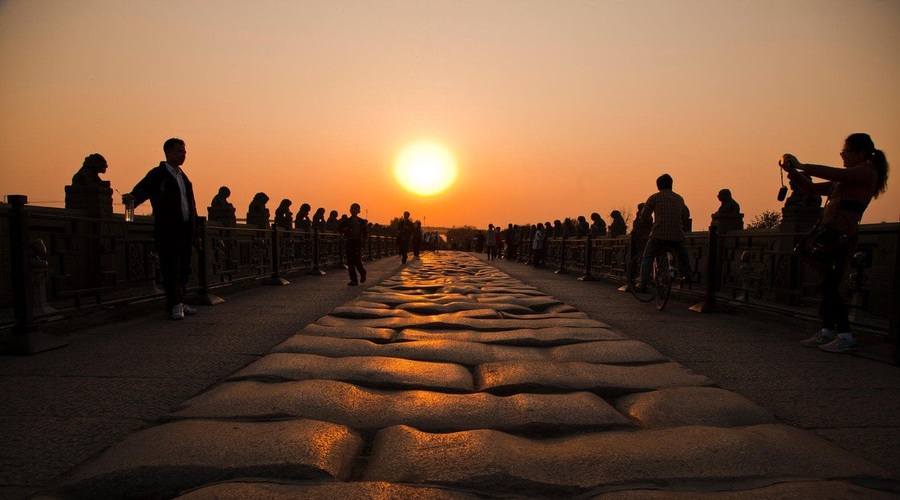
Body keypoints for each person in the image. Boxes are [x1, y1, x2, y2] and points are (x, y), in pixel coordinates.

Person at [782, 133, 889, 353]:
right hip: (831, 235)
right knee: (827, 284)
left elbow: (837, 173)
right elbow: (815, 189)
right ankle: (827, 331)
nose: (843, 157)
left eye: (845, 152)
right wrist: (795, 174)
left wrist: (803, 165)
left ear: (860, 153)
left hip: (841, 238)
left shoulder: (866, 171)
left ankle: (846, 335)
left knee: (830, 286)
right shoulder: (848, 178)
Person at [122, 138, 198, 320]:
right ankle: (174, 304)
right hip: (168, 229)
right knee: (171, 266)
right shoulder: (158, 174)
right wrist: (131, 199)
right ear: (168, 152)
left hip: (185, 229)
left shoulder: (183, 177)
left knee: (184, 266)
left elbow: (190, 204)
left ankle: (181, 300)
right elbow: (140, 192)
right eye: (180, 151)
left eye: (184, 151)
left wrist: (195, 229)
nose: (183, 155)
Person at [637, 174, 692, 291]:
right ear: (671, 185)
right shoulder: (679, 198)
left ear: (658, 186)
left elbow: (644, 215)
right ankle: (687, 275)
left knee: (647, 257)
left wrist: (645, 220)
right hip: (677, 235)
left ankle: (643, 283)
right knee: (683, 255)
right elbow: (685, 215)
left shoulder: (655, 197)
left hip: (658, 234)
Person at [338, 203, 368, 286]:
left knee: (357, 261)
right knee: (350, 262)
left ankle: (362, 272)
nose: (353, 210)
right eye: (352, 208)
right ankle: (354, 280)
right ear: (350, 210)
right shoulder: (347, 221)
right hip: (349, 242)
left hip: (357, 243)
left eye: (355, 208)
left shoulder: (362, 222)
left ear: (359, 211)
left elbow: (365, 233)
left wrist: (363, 241)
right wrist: (345, 230)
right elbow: (339, 228)